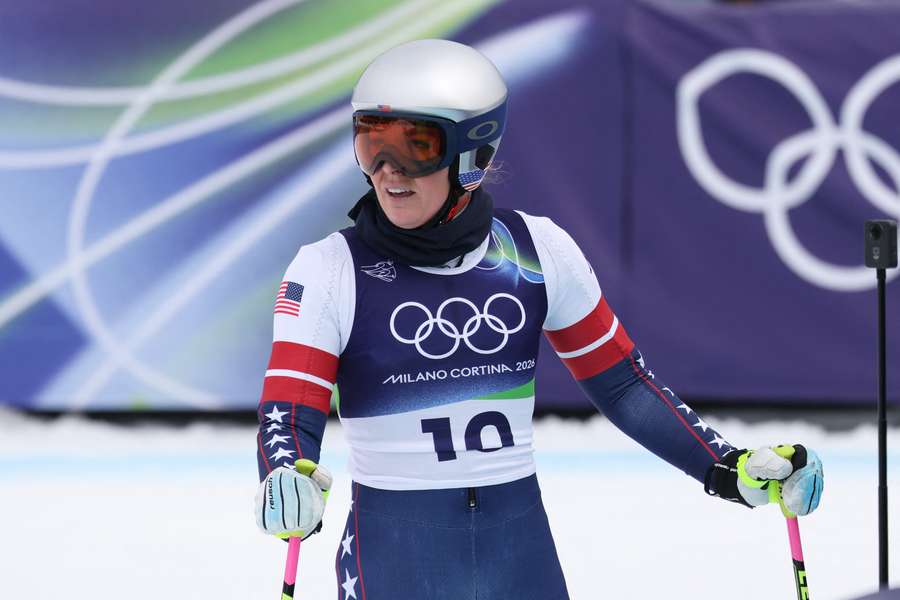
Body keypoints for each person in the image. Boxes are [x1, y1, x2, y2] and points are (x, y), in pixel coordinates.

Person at [252, 39, 824, 599]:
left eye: (414, 146)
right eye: (370, 144)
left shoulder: (536, 249)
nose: (387, 170)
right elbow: (290, 408)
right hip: (396, 553)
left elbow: (624, 386)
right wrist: (284, 473)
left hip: (518, 551)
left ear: (472, 156)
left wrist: (727, 466)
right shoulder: (329, 267)